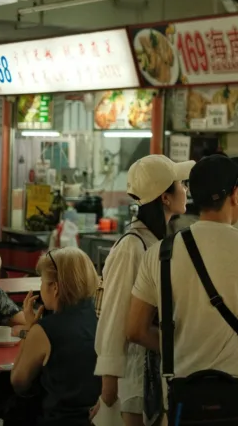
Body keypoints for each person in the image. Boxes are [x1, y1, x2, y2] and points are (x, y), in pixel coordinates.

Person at [127, 154, 238, 424]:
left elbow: (135, 329)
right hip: (236, 394)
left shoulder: (159, 252)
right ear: (235, 195)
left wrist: (177, 347)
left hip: (180, 395)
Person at [94, 154, 193, 426]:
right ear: (164, 197)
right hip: (134, 372)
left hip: (153, 369)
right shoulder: (132, 246)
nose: (185, 190)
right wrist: (109, 380)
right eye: (180, 184)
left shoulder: (156, 240)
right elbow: (114, 313)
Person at [10, 247, 101, 426]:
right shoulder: (100, 319)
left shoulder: (46, 330)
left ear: (55, 287)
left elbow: (18, 382)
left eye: (43, 281)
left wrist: (30, 329)